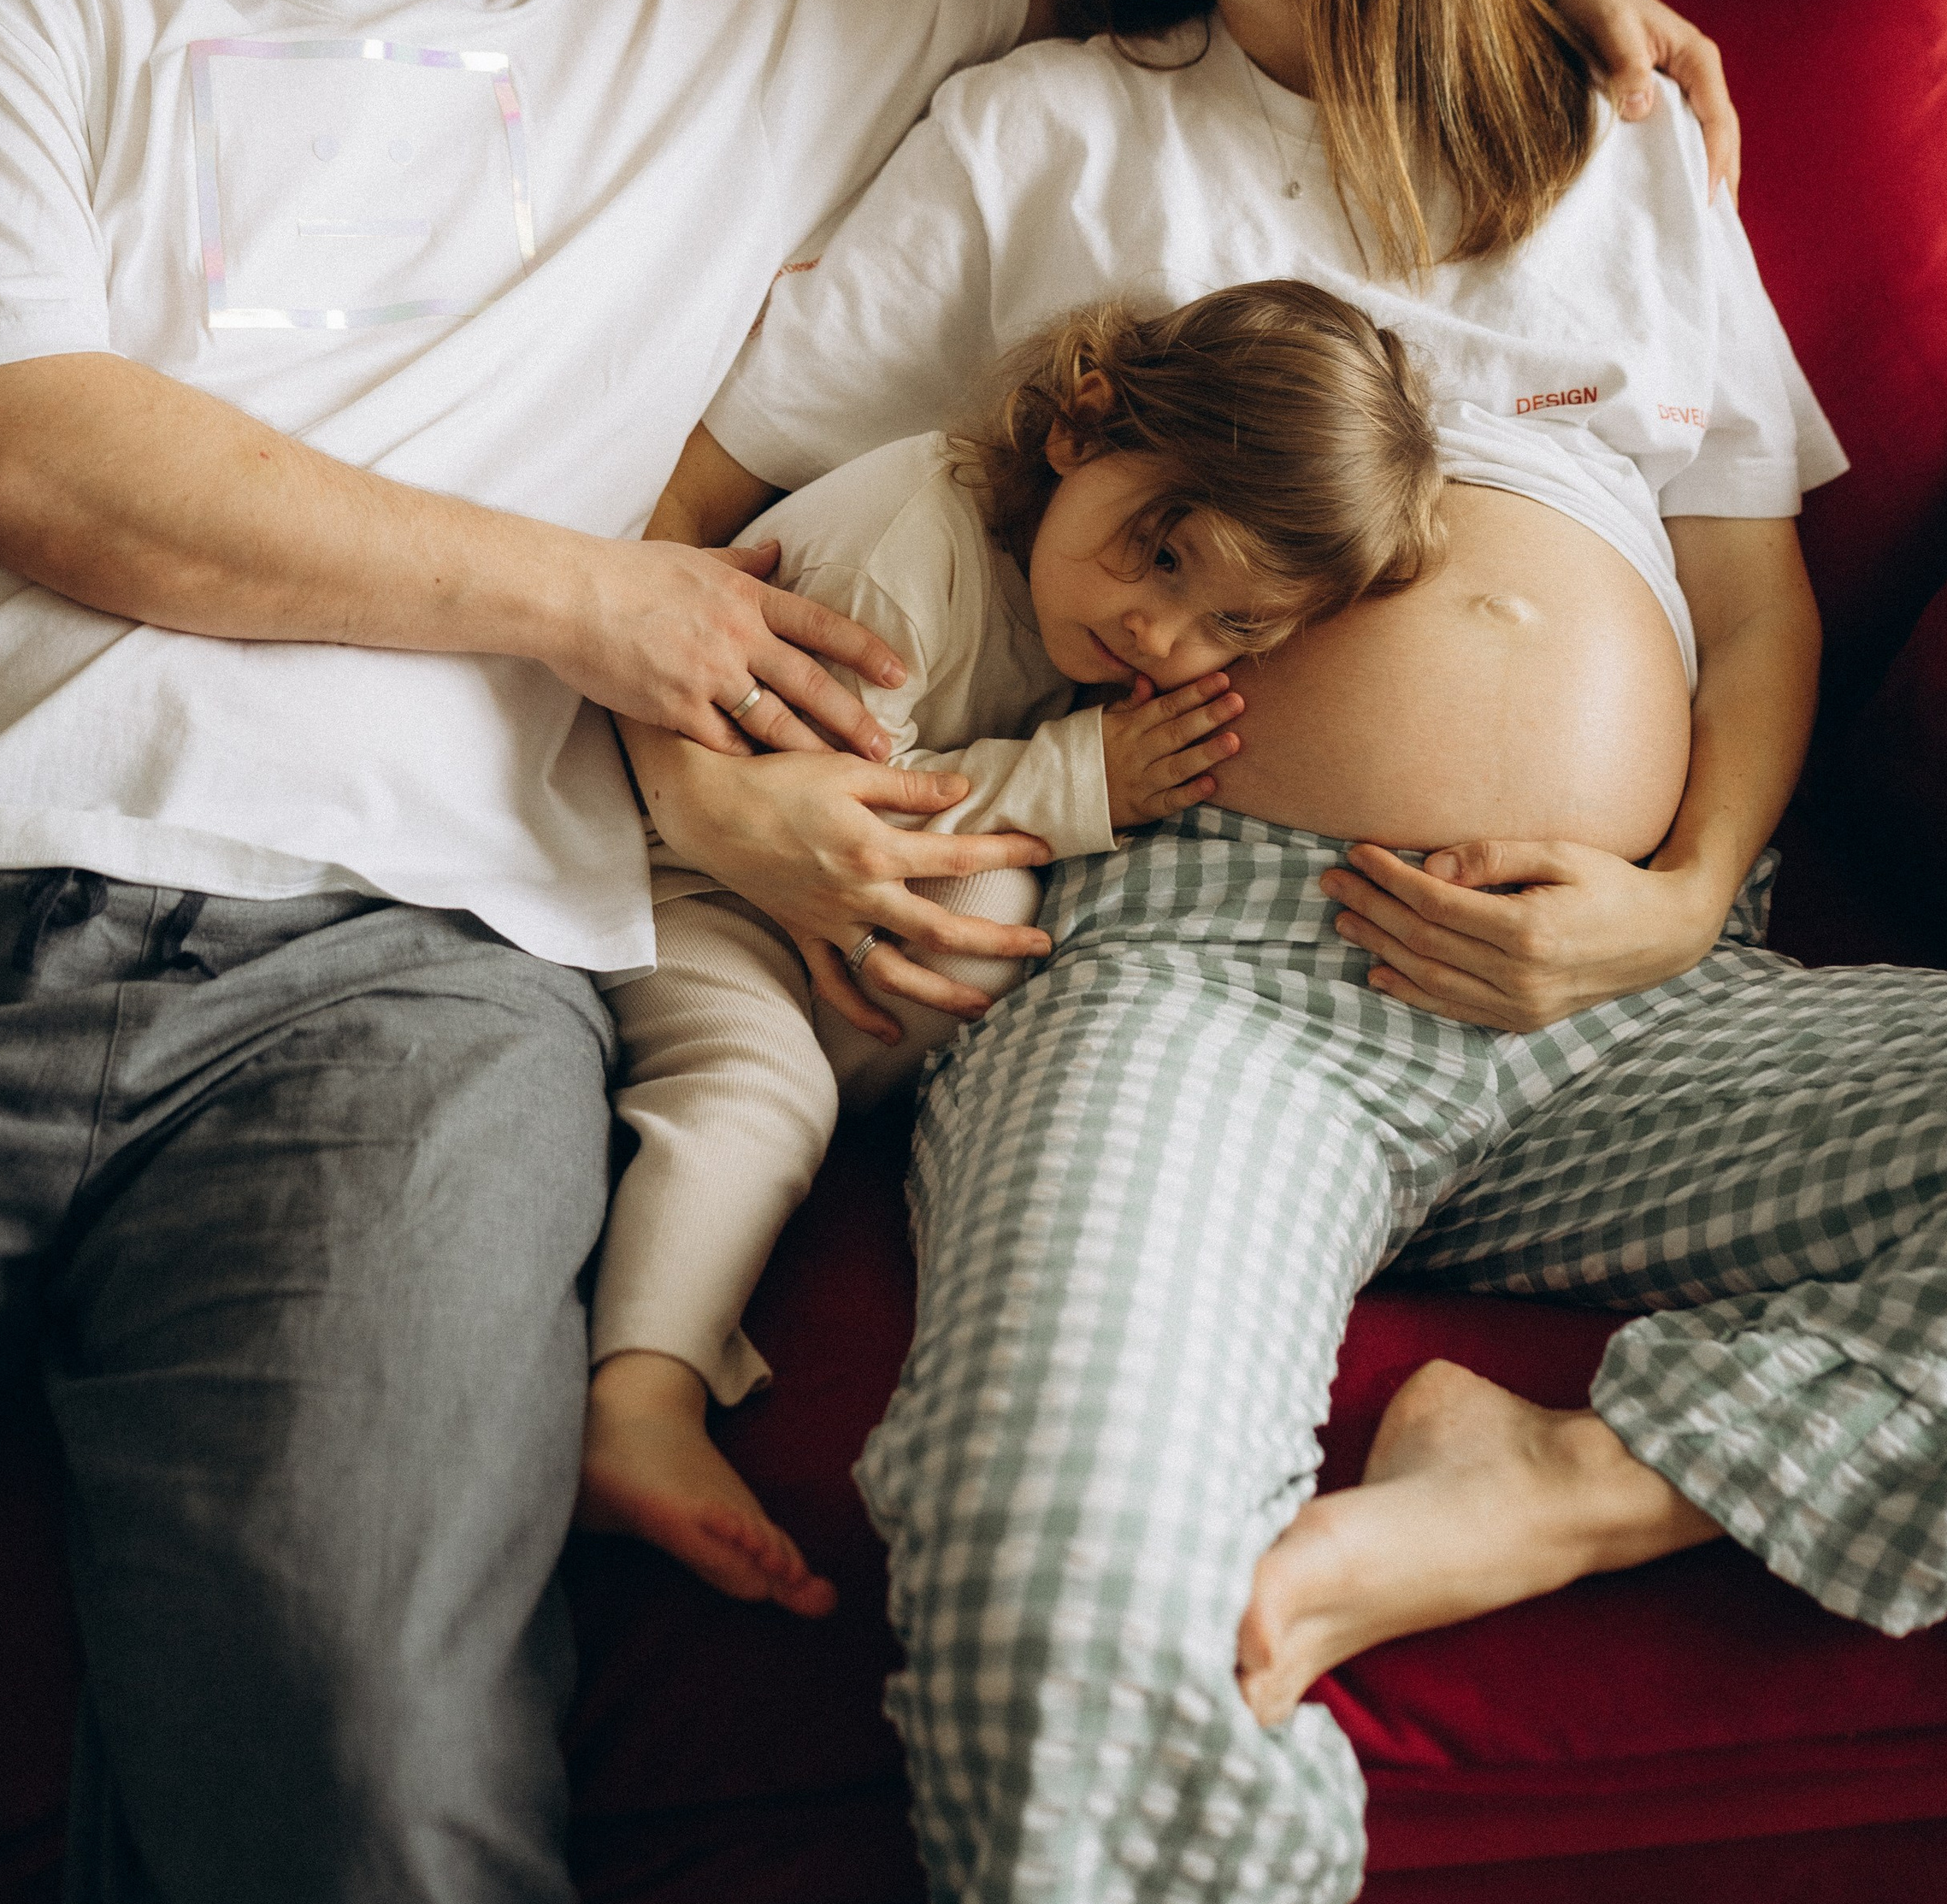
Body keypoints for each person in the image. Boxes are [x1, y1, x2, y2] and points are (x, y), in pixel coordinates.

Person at [0, 0, 1736, 1904]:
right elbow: (5, 448)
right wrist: (605, 612)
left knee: (367, 1755)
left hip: (402, 977)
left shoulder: (736, 4)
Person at [633, 0, 1947, 1904]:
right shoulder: (1036, 132)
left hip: (1626, 997)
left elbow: (1749, 599)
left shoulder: (1608, 134)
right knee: (1046, 1571)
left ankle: (1585, 1484)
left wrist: (1677, 899)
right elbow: (679, 546)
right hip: (1188, 977)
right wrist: (725, 804)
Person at [580, 278, 1447, 1616]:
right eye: (1165, 558)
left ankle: (803, 1139)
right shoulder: (897, 559)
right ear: (1080, 427)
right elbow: (823, 818)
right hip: (695, 884)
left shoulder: (1078, 589)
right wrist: (1076, 775)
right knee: (761, 1090)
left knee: (1000, 920)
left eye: (1236, 626)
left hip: (829, 909)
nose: (1162, 636)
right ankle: (639, 1400)